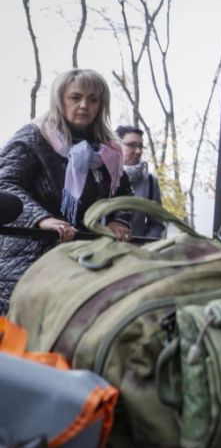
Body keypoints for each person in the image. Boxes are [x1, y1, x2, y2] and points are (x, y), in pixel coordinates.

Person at [0, 69, 133, 313]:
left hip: (78, 256)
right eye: (75, 97)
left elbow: (122, 193)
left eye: (93, 99)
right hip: (27, 255)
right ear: (60, 99)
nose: (84, 105)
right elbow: (5, 183)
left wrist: (117, 219)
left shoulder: (109, 150)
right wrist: (41, 219)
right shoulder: (34, 137)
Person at [116, 125, 165, 239]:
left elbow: (156, 223)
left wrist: (144, 247)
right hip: (100, 250)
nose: (138, 151)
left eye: (140, 146)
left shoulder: (150, 182)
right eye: (131, 145)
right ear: (116, 146)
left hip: (136, 253)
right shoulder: (100, 176)